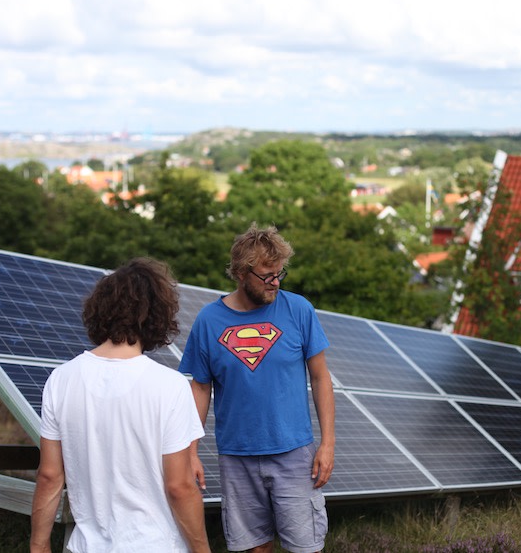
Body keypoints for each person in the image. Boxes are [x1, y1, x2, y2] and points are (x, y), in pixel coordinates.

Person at [30, 258, 210, 553]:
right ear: (157, 316)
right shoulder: (170, 385)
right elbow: (179, 486)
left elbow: (50, 475)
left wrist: (38, 546)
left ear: (99, 309)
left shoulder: (61, 379)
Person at [179, 223, 335, 553]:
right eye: (267, 276)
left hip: (294, 453)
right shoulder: (209, 321)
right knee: (253, 548)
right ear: (240, 272)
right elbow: (200, 389)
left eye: (279, 274)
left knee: (305, 547)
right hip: (236, 457)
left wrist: (328, 444)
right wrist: (190, 451)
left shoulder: (299, 310)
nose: (275, 282)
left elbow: (321, 377)